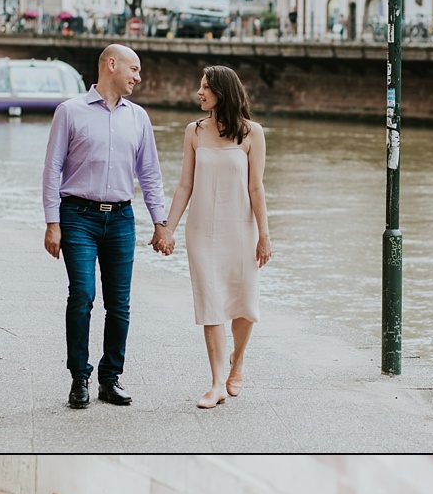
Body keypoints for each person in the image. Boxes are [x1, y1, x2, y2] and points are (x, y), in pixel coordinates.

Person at [42, 42, 169, 408]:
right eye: (134, 69)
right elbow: (52, 170)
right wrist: (53, 221)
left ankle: (110, 378)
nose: (138, 77)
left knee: (120, 304)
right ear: (111, 65)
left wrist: (160, 222)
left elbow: (150, 173)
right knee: (82, 295)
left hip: (122, 219)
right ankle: (79, 377)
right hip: (77, 216)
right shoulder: (70, 112)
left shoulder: (138, 117)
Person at [159, 66, 271, 407]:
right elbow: (184, 185)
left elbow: (256, 186)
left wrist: (264, 235)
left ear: (223, 91)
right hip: (202, 231)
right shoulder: (193, 131)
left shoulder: (253, 133)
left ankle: (237, 365)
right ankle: (217, 383)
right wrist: (168, 228)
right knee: (211, 304)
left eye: (206, 87)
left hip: (242, 228)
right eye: (200, 85)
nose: (199, 92)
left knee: (243, 302)